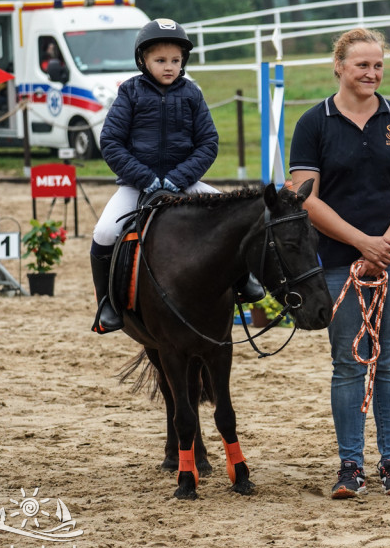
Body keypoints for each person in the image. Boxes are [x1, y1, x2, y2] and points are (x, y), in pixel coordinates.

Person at [289, 28, 390, 499]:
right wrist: (361, 243)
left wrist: (385, 243)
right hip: (335, 259)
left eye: (378, 65)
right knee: (348, 364)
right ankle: (350, 465)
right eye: (361, 65)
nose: (371, 73)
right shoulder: (314, 123)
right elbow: (306, 198)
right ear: (339, 67)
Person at [89, 18, 262, 333]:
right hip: (136, 185)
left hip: (185, 181)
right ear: (143, 61)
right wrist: (144, 178)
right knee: (103, 234)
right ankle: (107, 304)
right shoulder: (129, 92)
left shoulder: (192, 94)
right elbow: (111, 143)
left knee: (235, 217)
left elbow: (208, 143)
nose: (168, 67)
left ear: (183, 61)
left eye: (175, 60)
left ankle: (243, 281)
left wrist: (179, 178)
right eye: (160, 60)